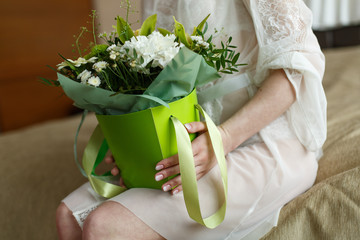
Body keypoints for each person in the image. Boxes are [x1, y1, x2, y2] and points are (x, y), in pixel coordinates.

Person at [56, 0, 327, 239]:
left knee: (105, 225)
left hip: (267, 141)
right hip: (188, 144)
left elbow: (299, 66)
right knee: (69, 216)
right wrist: (133, 151)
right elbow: (159, 80)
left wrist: (223, 139)